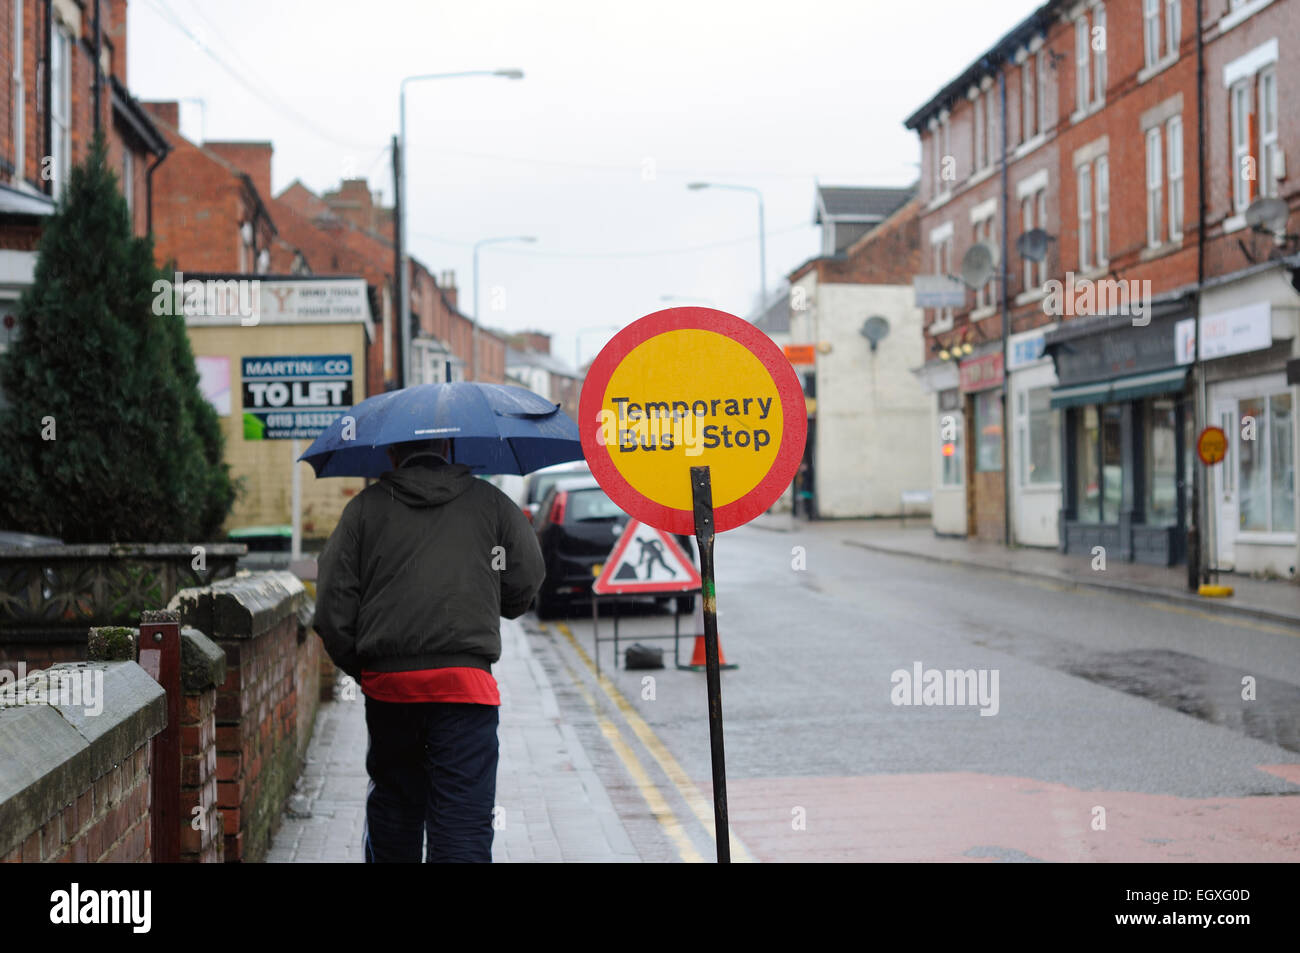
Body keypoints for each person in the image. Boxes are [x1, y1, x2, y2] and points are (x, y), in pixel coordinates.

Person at [314, 437, 545, 863]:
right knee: (463, 817)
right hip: (466, 685)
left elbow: (331, 609)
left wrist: (366, 670)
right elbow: (526, 576)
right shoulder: (491, 503)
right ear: (450, 448)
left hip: (391, 689)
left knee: (396, 806)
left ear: (390, 453)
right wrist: (502, 602)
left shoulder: (363, 511)